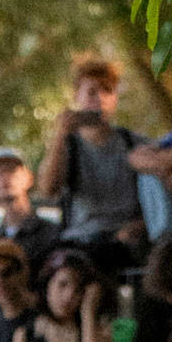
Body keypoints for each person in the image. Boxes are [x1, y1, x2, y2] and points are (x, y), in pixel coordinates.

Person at [38, 58, 148, 259]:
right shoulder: (68, 145)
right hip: (81, 242)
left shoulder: (132, 142)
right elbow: (48, 189)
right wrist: (60, 136)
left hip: (128, 241)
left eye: (107, 90)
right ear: (77, 96)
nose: (100, 98)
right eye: (91, 92)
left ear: (115, 98)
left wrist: (139, 226)